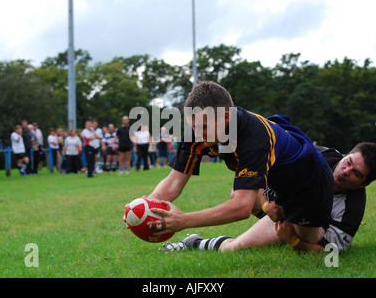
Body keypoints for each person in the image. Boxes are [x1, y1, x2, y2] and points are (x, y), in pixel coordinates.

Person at [140, 81, 334, 246]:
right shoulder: (198, 131)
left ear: (226, 117)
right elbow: (174, 182)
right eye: (193, 126)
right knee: (243, 197)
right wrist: (145, 206)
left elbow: (242, 207)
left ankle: (308, 222)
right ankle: (279, 217)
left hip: (308, 181)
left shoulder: (255, 136)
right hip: (274, 182)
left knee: (308, 240)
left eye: (203, 127)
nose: (197, 133)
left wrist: (184, 221)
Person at [161, 142, 376, 254]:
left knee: (234, 249)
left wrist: (294, 242)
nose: (346, 171)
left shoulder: (353, 207)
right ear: (346, 155)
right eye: (348, 162)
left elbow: (330, 251)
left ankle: (195, 242)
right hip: (282, 207)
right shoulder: (317, 156)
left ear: (364, 184)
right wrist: (268, 204)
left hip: (301, 226)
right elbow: (264, 168)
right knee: (244, 197)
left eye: (357, 174)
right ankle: (196, 240)